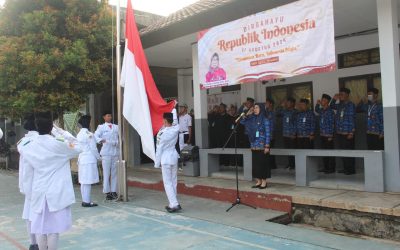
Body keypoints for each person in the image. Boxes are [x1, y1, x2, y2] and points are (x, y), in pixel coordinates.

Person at [20, 112, 81, 250]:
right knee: (53, 229)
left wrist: (27, 192)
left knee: (40, 228)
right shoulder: (59, 144)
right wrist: (60, 132)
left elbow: (27, 169)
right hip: (56, 191)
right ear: (50, 128)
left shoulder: (27, 145)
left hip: (38, 190)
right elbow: (78, 145)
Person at [17, 114, 39, 250]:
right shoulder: (39, 140)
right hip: (40, 183)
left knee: (29, 213)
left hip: (27, 183)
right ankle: (42, 242)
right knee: (41, 214)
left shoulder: (22, 142)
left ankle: (33, 242)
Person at [155, 113, 181, 213]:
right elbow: (175, 122)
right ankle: (173, 202)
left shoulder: (162, 133)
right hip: (174, 157)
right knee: (173, 181)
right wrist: (173, 108)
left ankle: (174, 204)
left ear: (165, 121)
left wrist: (157, 163)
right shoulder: (176, 129)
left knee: (167, 182)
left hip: (165, 158)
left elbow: (159, 148)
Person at [240, 104, 271, 189]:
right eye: (254, 108)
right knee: (256, 164)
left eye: (257, 108)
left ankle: (264, 182)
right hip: (254, 145)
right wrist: (247, 114)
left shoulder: (265, 120)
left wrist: (267, 146)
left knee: (262, 164)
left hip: (262, 145)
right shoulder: (252, 118)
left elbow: (268, 134)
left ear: (261, 109)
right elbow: (242, 122)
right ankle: (258, 181)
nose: (255, 109)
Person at [95, 111, 119, 200]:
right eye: (108, 116)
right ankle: (107, 192)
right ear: (104, 117)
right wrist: (102, 140)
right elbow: (96, 136)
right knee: (106, 172)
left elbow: (121, 137)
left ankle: (113, 191)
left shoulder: (116, 127)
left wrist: (117, 143)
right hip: (106, 152)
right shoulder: (101, 127)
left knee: (114, 173)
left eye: (110, 116)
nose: (109, 117)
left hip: (115, 151)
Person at [331, 88, 356, 175]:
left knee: (349, 151)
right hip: (340, 132)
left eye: (342, 94)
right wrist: (334, 99)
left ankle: (351, 169)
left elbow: (352, 119)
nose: (340, 96)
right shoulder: (340, 105)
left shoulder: (351, 105)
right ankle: (345, 168)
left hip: (348, 133)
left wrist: (351, 132)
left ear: (347, 95)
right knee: (342, 151)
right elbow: (331, 106)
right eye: (340, 94)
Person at [77, 115, 101, 207]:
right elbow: (94, 149)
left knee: (83, 181)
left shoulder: (79, 134)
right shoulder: (89, 134)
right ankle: (86, 202)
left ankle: (85, 200)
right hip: (89, 160)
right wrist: (99, 158)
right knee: (87, 182)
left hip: (82, 159)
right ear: (88, 123)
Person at [315, 94, 336, 173]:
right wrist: (318, 103)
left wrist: (331, 135)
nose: (322, 101)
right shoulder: (322, 110)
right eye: (321, 100)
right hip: (322, 134)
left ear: (327, 101)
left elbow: (332, 124)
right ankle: (325, 167)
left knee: (330, 152)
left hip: (328, 135)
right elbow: (316, 109)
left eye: (323, 100)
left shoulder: (330, 111)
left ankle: (331, 168)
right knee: (324, 152)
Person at [276, 97, 297, 170]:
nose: (286, 104)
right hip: (285, 134)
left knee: (293, 150)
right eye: (286, 102)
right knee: (288, 150)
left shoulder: (295, 112)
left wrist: (294, 134)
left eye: (288, 102)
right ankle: (290, 164)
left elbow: (296, 124)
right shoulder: (285, 111)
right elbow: (277, 112)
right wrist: (281, 105)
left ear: (292, 103)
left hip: (292, 135)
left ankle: (294, 164)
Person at [265, 98, 277, 169]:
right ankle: (267, 164)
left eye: (267, 103)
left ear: (271, 104)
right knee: (266, 151)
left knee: (271, 150)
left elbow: (273, 125)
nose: (265, 104)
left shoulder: (273, 113)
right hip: (265, 135)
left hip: (271, 134)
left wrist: (271, 135)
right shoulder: (265, 112)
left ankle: (272, 165)